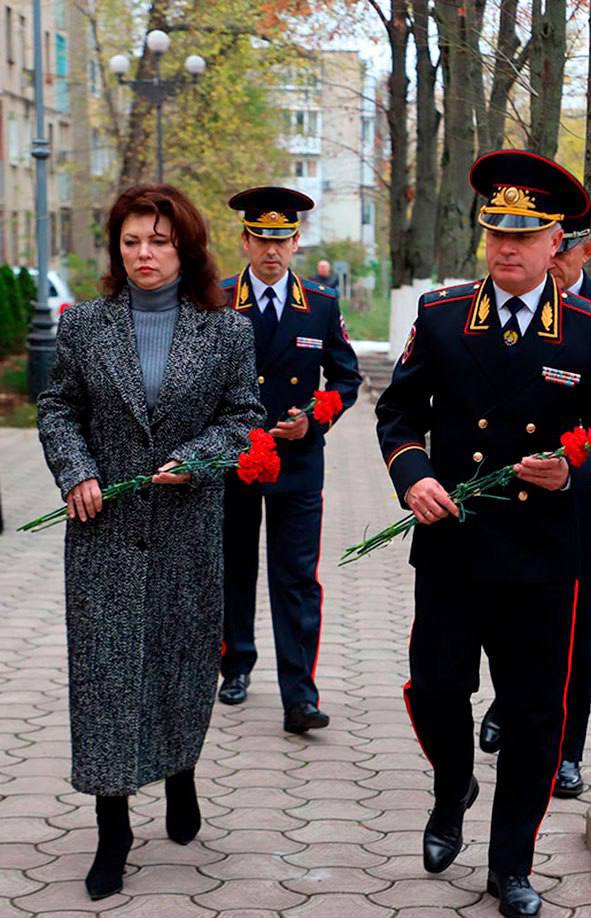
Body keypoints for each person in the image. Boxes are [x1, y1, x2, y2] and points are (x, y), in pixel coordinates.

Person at [376, 150, 591, 918]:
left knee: (533, 715)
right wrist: (413, 476)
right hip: (453, 542)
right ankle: (452, 784)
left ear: (557, 241)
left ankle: (510, 865)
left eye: (523, 236)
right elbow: (399, 412)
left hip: (543, 552)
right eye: (496, 233)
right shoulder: (443, 315)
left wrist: (578, 469)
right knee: (434, 690)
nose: (505, 248)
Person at [37, 184, 263, 900]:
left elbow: (243, 418)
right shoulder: (85, 325)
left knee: (178, 667)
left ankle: (180, 772)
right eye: (131, 241)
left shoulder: (225, 330)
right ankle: (113, 830)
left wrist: (196, 459)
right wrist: (76, 471)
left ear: (185, 248)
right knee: (105, 676)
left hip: (186, 531)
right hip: (103, 529)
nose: (144, 254)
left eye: (158, 242)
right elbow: (59, 407)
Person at [478, 206, 591, 799]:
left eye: (560, 249)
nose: (551, 260)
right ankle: (510, 699)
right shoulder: (498, 303)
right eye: (546, 247)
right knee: (501, 608)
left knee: (576, 625)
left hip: (577, 496)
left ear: (584, 250)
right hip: (501, 488)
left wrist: (588, 456)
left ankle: (566, 751)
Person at [219, 187, 361, 732]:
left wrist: (314, 419)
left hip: (298, 461)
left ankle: (299, 694)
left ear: (296, 242)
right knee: (233, 566)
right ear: (245, 241)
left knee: (297, 576)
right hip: (232, 460)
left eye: (281, 240)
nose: (271, 250)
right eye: (261, 239)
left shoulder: (320, 304)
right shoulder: (218, 299)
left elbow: (345, 379)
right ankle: (235, 664)